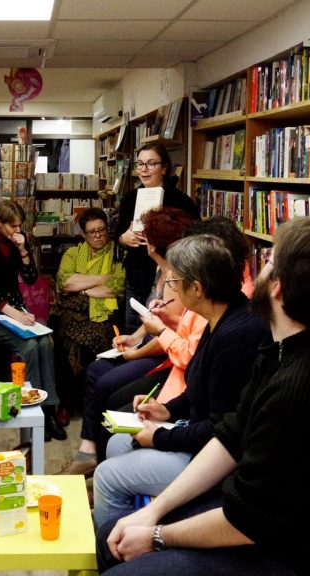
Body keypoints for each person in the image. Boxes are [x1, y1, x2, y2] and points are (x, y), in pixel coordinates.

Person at [98, 218, 310, 576]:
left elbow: (247, 521)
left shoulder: (303, 387)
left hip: (300, 556)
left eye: (268, 262)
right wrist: (151, 513)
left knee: (123, 564)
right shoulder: (285, 344)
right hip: (266, 523)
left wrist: (156, 536)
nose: (254, 272)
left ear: (278, 289)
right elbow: (232, 434)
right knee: (113, 535)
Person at [92, 229, 269, 528]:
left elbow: (221, 429)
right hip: (197, 434)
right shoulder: (220, 316)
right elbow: (199, 385)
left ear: (197, 288)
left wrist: (160, 436)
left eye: (174, 283)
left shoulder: (235, 336)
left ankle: (118, 552)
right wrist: (168, 410)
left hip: (214, 461)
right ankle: (123, 525)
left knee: (107, 476)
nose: (170, 290)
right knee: (117, 443)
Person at [65, 207, 195, 471]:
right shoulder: (160, 273)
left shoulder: (178, 278)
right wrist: (132, 337)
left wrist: (136, 352)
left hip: (163, 355)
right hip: (151, 344)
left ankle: (100, 462)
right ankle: (88, 446)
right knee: (94, 369)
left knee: (106, 387)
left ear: (155, 244)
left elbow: (172, 332)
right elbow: (151, 316)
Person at [0, 199, 66, 441]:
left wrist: (24, 251)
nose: (18, 231)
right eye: (12, 226)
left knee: (44, 342)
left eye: (20, 226)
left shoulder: (17, 243)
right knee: (28, 347)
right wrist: (15, 313)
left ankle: (49, 410)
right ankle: (34, 414)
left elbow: (32, 278)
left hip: (13, 308)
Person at [115, 143, 199, 333]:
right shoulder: (129, 199)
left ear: (164, 168)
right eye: (140, 164)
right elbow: (118, 234)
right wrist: (124, 238)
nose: (144, 170)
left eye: (151, 164)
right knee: (133, 328)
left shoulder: (181, 201)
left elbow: (194, 237)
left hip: (171, 276)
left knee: (163, 327)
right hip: (137, 274)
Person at [51, 207, 124, 425]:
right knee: (64, 341)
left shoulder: (118, 254)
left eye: (102, 230)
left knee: (94, 338)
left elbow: (117, 287)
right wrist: (103, 278)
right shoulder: (72, 254)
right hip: (72, 313)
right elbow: (65, 282)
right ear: (83, 234)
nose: (98, 235)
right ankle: (66, 402)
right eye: (92, 232)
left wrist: (82, 287)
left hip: (105, 316)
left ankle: (89, 401)